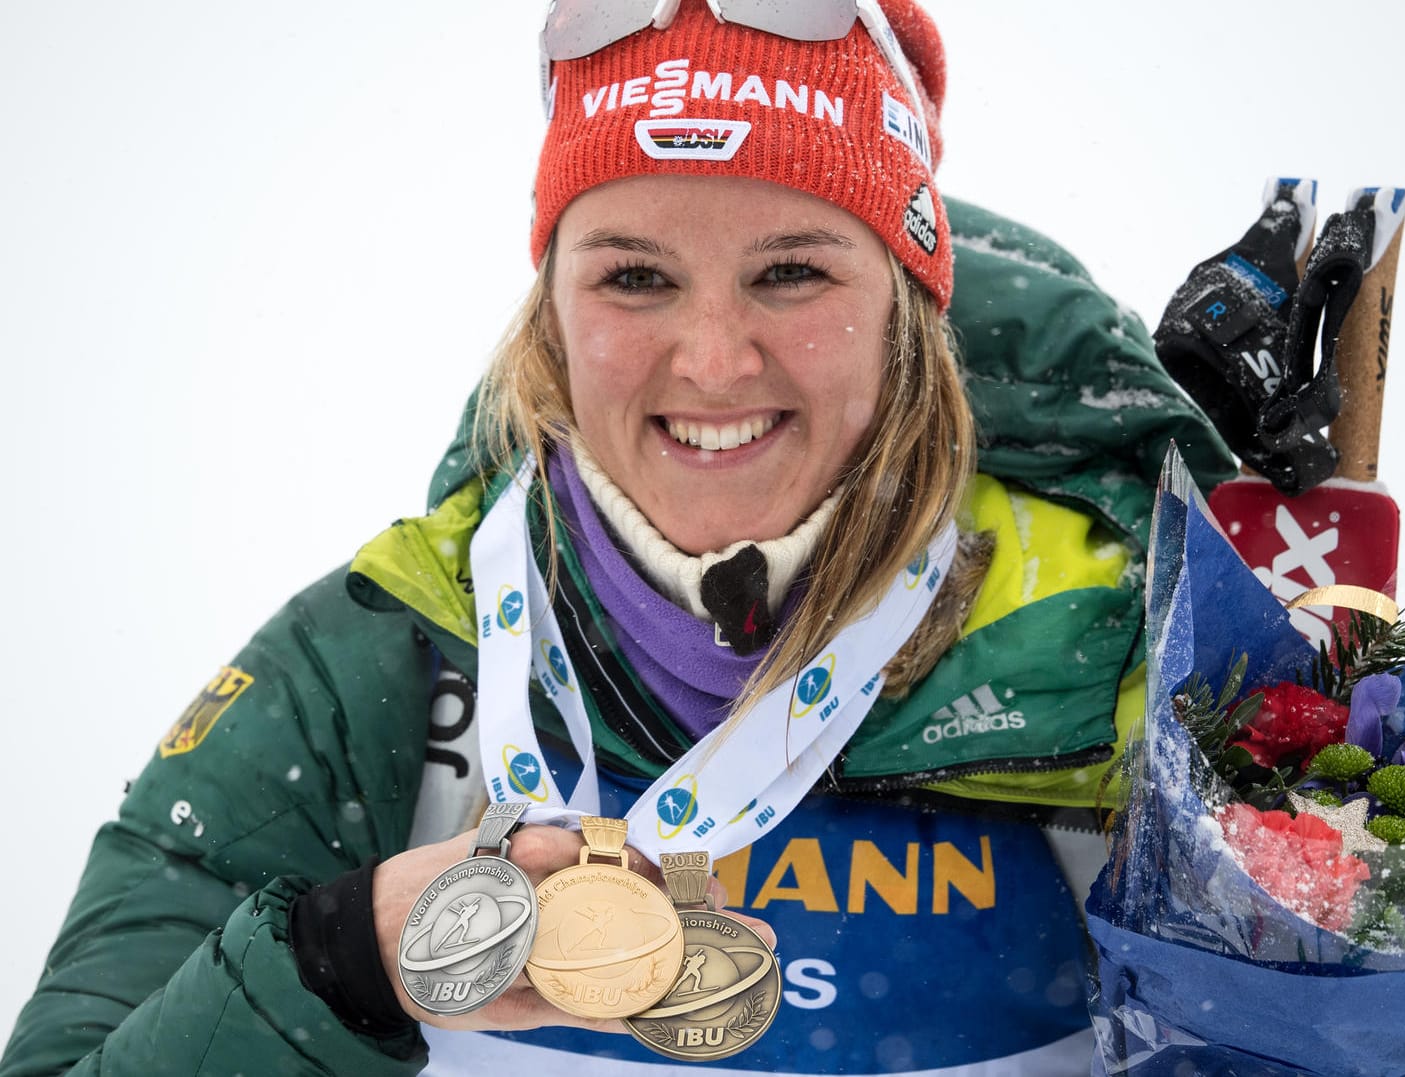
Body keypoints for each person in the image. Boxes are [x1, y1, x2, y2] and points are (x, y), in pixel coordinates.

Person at [1, 2, 1232, 1074]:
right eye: (634, 279)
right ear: (552, 313)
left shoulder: (1138, 658)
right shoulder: (378, 660)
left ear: (907, 312)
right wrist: (340, 964)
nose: (712, 361)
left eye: (792, 273)